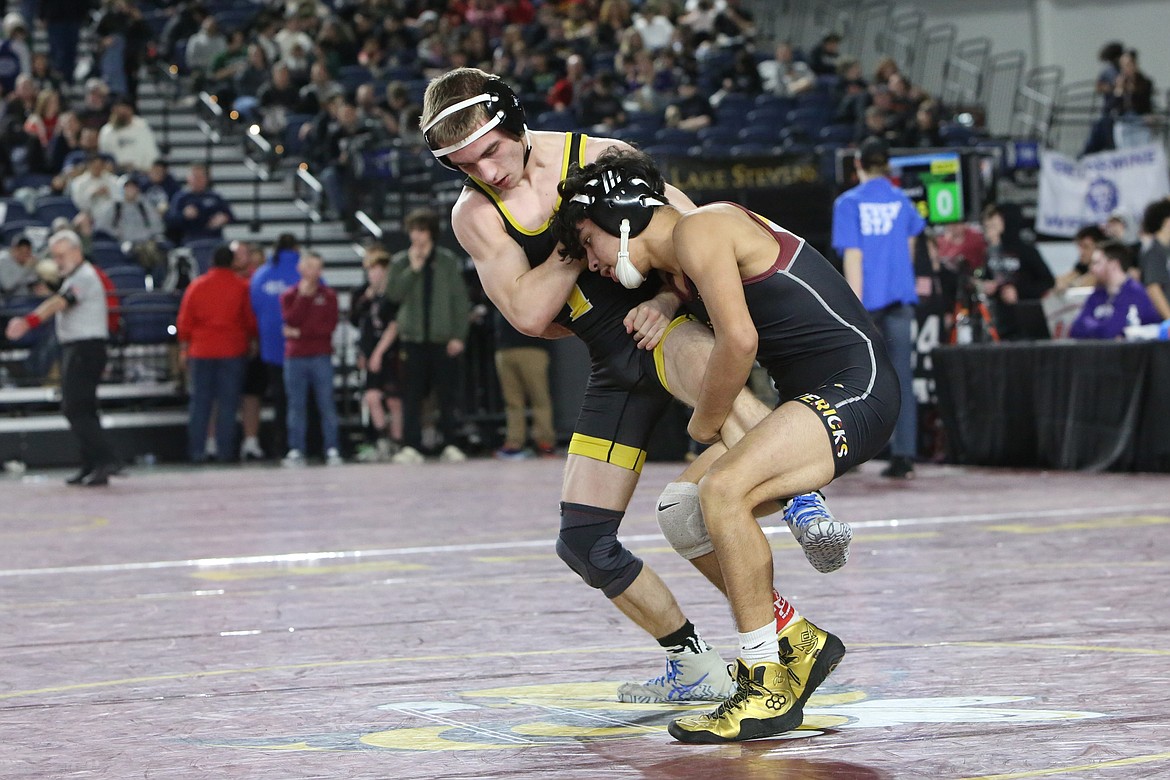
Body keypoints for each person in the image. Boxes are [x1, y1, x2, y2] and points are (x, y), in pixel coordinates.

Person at [421, 68, 845, 708]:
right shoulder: (476, 216)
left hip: (662, 325)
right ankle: (696, 661)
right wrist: (575, 236)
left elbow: (690, 239)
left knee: (726, 402)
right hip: (609, 358)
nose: (487, 172)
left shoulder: (598, 157)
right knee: (584, 542)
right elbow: (529, 315)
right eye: (465, 165)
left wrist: (669, 292)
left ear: (514, 122)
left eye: (491, 151)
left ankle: (804, 503)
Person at [552, 147, 897, 743]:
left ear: (621, 216)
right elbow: (693, 293)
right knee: (681, 513)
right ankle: (796, 640)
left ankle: (764, 680)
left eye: (589, 244)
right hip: (809, 401)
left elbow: (737, 342)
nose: (593, 264)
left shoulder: (704, 227)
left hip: (854, 389)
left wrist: (702, 424)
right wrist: (662, 301)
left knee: (724, 491)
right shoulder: (679, 265)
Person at [832, 137, 925, 479]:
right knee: (902, 376)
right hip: (900, 297)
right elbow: (911, 246)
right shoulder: (902, 201)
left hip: (867, 303)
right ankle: (904, 456)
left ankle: (853, 453)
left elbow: (853, 255)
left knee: (857, 378)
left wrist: (853, 307)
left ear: (858, 163)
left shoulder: (848, 202)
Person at [5, 230, 118, 486]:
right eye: (55, 256)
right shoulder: (75, 276)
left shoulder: (85, 277)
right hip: (78, 347)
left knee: (75, 407)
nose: (57, 261)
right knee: (81, 407)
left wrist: (28, 321)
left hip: (85, 347)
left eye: (61, 255)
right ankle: (91, 463)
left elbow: (60, 302)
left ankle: (105, 461)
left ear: (76, 252)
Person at [374, 207, 471, 464]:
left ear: (431, 233)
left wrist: (458, 335)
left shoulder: (447, 261)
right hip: (412, 338)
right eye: (413, 231)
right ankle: (411, 445)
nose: (416, 236)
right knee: (411, 395)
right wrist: (413, 270)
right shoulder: (399, 262)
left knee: (447, 395)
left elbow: (460, 302)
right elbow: (392, 296)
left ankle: (450, 443)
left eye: (421, 230)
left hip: (442, 338)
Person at [176, 244, 257, 462]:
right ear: (232, 262)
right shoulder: (240, 287)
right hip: (232, 350)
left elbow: (184, 321)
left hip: (201, 351)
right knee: (228, 404)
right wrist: (251, 339)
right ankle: (225, 452)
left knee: (200, 403)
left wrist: (185, 346)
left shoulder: (197, 286)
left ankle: (197, 451)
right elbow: (249, 320)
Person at [279, 251, 343, 467]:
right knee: (296, 405)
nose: (314, 271)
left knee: (326, 403)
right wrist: (304, 298)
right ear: (301, 269)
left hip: (320, 356)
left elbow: (328, 327)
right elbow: (290, 319)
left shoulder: (329, 296)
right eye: (310, 266)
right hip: (295, 357)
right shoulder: (289, 295)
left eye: (318, 267)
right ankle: (296, 448)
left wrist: (300, 332)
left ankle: (332, 447)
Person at [249, 234, 303, 457]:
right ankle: (306, 444)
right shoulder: (303, 271)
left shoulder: (262, 275)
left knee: (280, 398)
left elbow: (255, 306)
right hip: (301, 346)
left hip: (271, 345)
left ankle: (282, 445)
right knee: (302, 399)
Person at [350, 246, 403, 461]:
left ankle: (398, 441)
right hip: (370, 350)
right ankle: (382, 439)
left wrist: (379, 353)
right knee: (371, 396)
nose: (375, 274)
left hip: (391, 352)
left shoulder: (393, 295)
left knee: (394, 400)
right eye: (372, 270)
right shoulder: (362, 294)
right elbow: (356, 321)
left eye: (380, 270)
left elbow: (394, 325)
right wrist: (366, 299)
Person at [979, 203, 1056, 339]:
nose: (990, 231)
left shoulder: (1026, 251)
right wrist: (989, 286)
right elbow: (988, 277)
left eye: (994, 226)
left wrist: (1019, 292)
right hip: (1001, 320)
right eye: (989, 227)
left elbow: (1048, 281)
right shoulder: (990, 252)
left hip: (1026, 321)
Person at [492, 307, 556, 459]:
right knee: (512, 401)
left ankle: (545, 442)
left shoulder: (535, 286)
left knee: (539, 398)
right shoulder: (504, 286)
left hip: (533, 347)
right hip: (505, 347)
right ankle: (514, 443)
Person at [1069, 241, 1160, 340]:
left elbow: (1112, 331)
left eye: (1096, 263)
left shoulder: (1134, 293)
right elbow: (1075, 329)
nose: (1091, 269)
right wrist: (1101, 327)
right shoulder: (1098, 293)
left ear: (1114, 265)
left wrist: (1092, 325)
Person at [165, 163, 234, 245]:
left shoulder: (215, 197)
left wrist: (224, 218)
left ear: (206, 179)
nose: (198, 180)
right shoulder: (180, 198)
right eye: (195, 177)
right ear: (189, 178)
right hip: (189, 239)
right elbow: (170, 220)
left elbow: (231, 216)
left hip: (214, 238)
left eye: (201, 177)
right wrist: (184, 215)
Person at [1138, 199, 1170, 320]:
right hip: (1162, 323)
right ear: (1167, 221)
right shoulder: (1154, 251)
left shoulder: (1165, 249)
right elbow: (1153, 288)